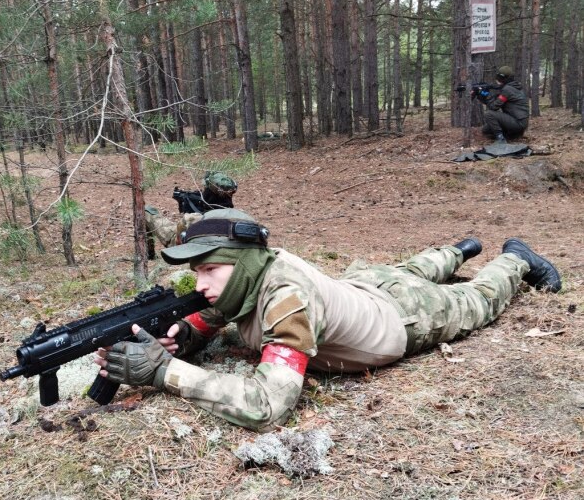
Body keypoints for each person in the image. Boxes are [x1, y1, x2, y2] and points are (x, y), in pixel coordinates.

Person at [95, 209, 561, 432]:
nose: (200, 284)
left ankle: (515, 258)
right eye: (196, 272)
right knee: (409, 270)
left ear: (243, 262)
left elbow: (267, 406)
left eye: (209, 270)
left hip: (404, 316)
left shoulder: (287, 297)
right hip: (365, 284)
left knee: (477, 299)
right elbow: (209, 315)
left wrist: (165, 372)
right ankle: (458, 250)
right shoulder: (246, 277)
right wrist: (182, 335)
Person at [144, 171, 237, 258]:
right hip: (225, 252)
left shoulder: (191, 219)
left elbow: (178, 241)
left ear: (208, 194)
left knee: (148, 212)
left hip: (186, 249)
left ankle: (149, 255)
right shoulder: (240, 218)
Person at [474, 66, 529, 144]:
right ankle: (512, 135)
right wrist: (481, 94)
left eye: (500, 78)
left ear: (504, 78)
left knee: (489, 114)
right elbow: (493, 102)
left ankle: (500, 139)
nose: (498, 80)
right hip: (519, 123)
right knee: (486, 130)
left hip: (518, 123)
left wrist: (485, 94)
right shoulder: (514, 87)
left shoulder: (507, 89)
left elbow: (493, 107)